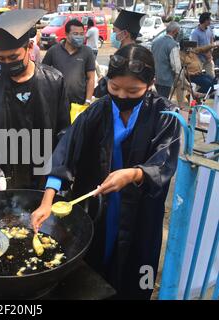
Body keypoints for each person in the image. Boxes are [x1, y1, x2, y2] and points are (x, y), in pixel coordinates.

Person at [31, 44, 180, 299]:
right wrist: (47, 202)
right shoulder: (97, 111)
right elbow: (65, 153)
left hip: (140, 211)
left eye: (133, 90)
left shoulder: (165, 115)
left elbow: (164, 161)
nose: (122, 95)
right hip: (101, 207)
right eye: (115, 87)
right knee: (97, 266)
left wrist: (133, 174)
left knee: (136, 271)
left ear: (151, 83)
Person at [0, 9, 70, 190]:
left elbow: (64, 131)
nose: (7, 62)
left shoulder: (53, 81)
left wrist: (57, 173)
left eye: (13, 57)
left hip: (45, 172)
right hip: (8, 175)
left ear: (29, 48)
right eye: (1, 58)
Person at [43, 19, 95, 106]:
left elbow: (91, 78)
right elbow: (42, 74)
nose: (79, 36)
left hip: (79, 103)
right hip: (56, 102)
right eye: (75, 34)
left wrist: (88, 101)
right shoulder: (53, 51)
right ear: (66, 34)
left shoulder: (87, 52)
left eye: (81, 34)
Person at [95, 10, 146, 98]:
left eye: (114, 31)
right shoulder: (141, 53)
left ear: (125, 33)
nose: (113, 34)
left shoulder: (128, 57)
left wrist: (103, 82)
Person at [151, 21, 181, 99]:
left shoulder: (155, 42)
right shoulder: (173, 44)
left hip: (155, 77)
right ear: (175, 32)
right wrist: (180, 77)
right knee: (163, 102)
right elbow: (176, 66)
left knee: (157, 100)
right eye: (178, 32)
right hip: (166, 79)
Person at [190, 12, 215, 78]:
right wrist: (205, 54)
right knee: (200, 81)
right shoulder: (195, 33)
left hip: (209, 59)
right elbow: (194, 49)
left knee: (212, 78)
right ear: (205, 20)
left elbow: (211, 41)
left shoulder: (209, 29)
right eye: (209, 19)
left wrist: (211, 52)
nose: (210, 21)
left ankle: (212, 88)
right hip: (199, 60)